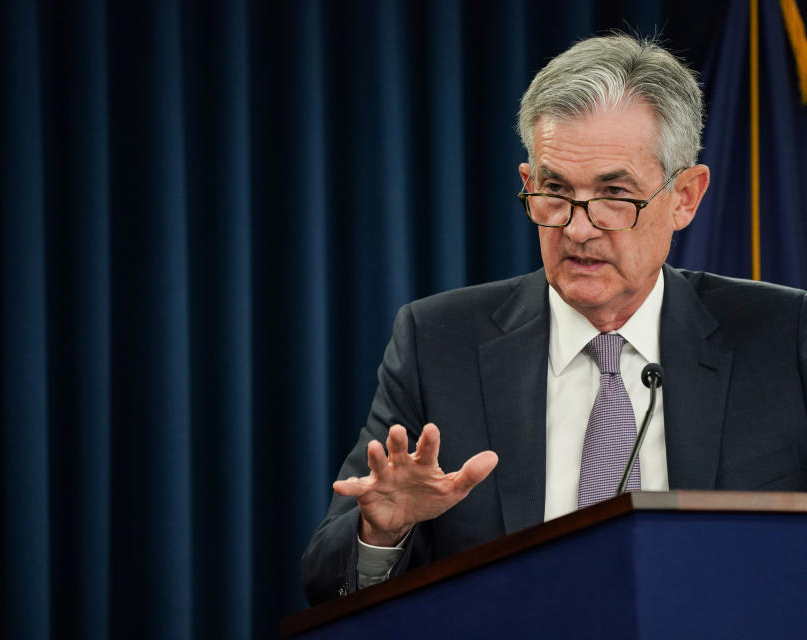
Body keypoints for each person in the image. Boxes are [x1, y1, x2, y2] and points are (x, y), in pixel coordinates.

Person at [302, 33, 807, 606]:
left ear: (685, 197)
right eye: (555, 191)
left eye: (615, 194)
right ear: (528, 185)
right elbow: (325, 581)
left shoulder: (785, 337)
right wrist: (385, 532)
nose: (577, 228)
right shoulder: (438, 343)